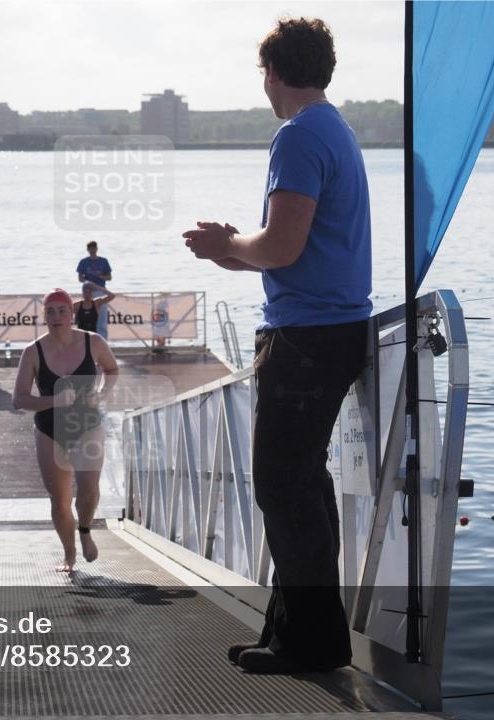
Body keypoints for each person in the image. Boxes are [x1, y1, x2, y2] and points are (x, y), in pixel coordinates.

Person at [182, 17, 371, 674]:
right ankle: (295, 633)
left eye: (261, 74)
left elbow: (282, 247)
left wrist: (227, 245)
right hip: (334, 329)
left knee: (281, 486)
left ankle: (314, 644)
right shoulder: (334, 129)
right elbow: (295, 249)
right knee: (303, 484)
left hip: (307, 339)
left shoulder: (297, 136)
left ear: (273, 72)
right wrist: (231, 249)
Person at [13, 289, 119, 573]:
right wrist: (53, 401)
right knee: (60, 500)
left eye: (62, 311)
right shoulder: (33, 352)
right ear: (44, 317)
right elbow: (19, 399)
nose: (56, 317)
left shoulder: (93, 341)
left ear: (72, 315)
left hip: (87, 424)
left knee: (88, 488)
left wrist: (102, 393)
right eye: (50, 312)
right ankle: (69, 554)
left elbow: (112, 370)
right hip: (50, 429)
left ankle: (84, 530)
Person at [76, 241, 112, 338]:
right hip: (88, 292)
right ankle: (87, 340)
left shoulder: (103, 261)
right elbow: (80, 278)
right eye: (90, 248)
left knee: (102, 319)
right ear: (88, 250)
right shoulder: (84, 262)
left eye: (94, 248)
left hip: (100, 290)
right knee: (87, 318)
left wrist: (100, 277)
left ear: (96, 249)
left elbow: (109, 277)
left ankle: (103, 341)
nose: (92, 250)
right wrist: (88, 282)